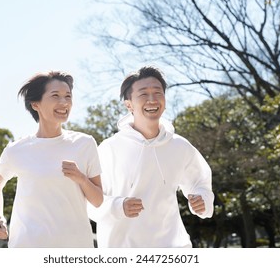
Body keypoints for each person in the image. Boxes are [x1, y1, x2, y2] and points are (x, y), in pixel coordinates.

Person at [90, 66, 214, 248]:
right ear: (129, 104)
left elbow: (200, 182)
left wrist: (202, 200)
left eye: (158, 93)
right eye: (143, 94)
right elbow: (90, 200)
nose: (152, 99)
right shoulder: (109, 149)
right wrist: (118, 206)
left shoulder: (179, 146)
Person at [0, 71, 103, 248]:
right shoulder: (17, 150)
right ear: (36, 104)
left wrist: (81, 178)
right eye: (55, 96)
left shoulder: (84, 144)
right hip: (28, 246)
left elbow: (98, 200)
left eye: (68, 96)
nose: (64, 102)